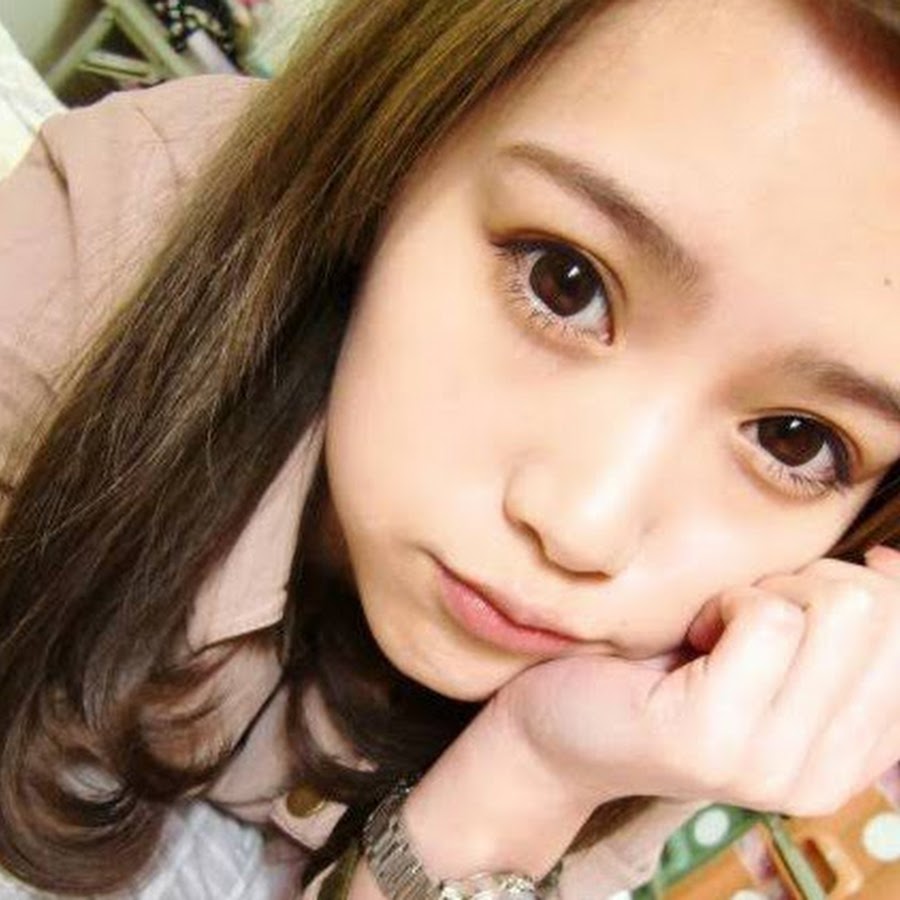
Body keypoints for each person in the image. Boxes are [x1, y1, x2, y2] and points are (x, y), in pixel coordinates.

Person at [1, 0, 900, 897]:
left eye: (797, 442)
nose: (584, 527)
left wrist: (534, 774)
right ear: (400, 138)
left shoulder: (710, 663)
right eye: (565, 282)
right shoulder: (131, 230)